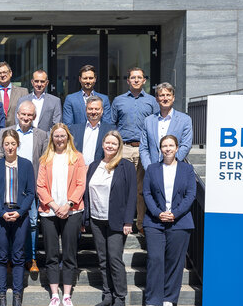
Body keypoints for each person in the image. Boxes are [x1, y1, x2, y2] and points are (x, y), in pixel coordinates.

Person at [142, 134, 196, 306]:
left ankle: (169, 299)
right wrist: (158, 213)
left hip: (179, 222)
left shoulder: (187, 170)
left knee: (175, 261)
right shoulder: (151, 169)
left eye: (171, 145)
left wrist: (175, 213)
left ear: (177, 148)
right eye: (164, 146)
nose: (167, 149)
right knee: (155, 259)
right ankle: (152, 299)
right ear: (160, 149)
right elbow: (147, 193)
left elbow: (190, 195)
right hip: (154, 222)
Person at [83, 130, 136, 306]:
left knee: (114, 259)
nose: (110, 146)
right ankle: (107, 295)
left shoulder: (126, 166)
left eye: (114, 143)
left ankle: (120, 297)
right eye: (107, 143)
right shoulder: (94, 165)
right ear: (103, 144)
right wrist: (86, 217)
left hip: (117, 220)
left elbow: (131, 196)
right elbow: (87, 193)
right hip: (97, 219)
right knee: (103, 258)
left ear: (119, 146)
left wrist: (128, 221)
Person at [37, 123, 86, 306]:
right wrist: (55, 206)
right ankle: (54, 295)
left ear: (68, 137)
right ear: (52, 138)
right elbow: (40, 186)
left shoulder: (77, 158)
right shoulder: (45, 159)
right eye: (56, 136)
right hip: (49, 212)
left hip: (72, 211)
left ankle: (67, 295)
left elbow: (81, 184)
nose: (59, 139)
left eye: (62, 136)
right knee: (51, 254)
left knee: (69, 254)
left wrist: (68, 205)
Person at [0, 100, 49, 273]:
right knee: (8, 222)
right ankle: (10, 258)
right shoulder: (5, 132)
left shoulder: (42, 135)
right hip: (8, 186)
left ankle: (30, 258)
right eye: (23, 114)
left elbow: (44, 162)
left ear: (34, 117)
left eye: (29, 115)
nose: (26, 117)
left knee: (32, 223)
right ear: (17, 114)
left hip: (29, 187)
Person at [0, 130, 35, 306]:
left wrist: (20, 212)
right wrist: (1, 212)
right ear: (2, 145)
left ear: (17, 145)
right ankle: (1, 296)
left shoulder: (26, 164)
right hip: (1, 214)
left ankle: (17, 296)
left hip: (20, 215)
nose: (9, 147)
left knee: (18, 256)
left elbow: (31, 192)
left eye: (12, 143)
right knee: (1, 256)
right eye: (6, 143)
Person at [111, 67, 159, 233]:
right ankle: (122, 223)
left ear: (144, 80)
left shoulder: (152, 101)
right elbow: (113, 123)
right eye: (133, 77)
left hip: (143, 149)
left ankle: (140, 224)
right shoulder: (118, 100)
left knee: (140, 189)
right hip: (123, 148)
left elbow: (156, 125)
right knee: (121, 188)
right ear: (128, 80)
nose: (136, 80)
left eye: (139, 77)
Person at [140, 82, 193, 169]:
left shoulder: (185, 120)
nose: (165, 98)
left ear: (173, 98)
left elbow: (186, 145)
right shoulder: (148, 121)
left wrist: (171, 164)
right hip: (153, 169)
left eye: (168, 95)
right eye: (162, 95)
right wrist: (149, 168)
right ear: (157, 98)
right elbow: (143, 148)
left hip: (175, 169)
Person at [69, 96, 116, 166]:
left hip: (101, 170)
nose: (93, 112)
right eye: (90, 109)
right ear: (86, 110)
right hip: (79, 170)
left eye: (97, 109)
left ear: (102, 110)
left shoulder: (110, 130)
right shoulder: (74, 130)